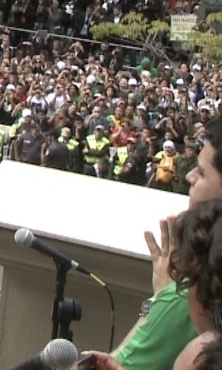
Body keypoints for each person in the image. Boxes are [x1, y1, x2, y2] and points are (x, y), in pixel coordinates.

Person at [86, 119, 222, 369]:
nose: (190, 176)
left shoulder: (184, 297)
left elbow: (118, 362)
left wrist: (160, 300)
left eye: (202, 172)